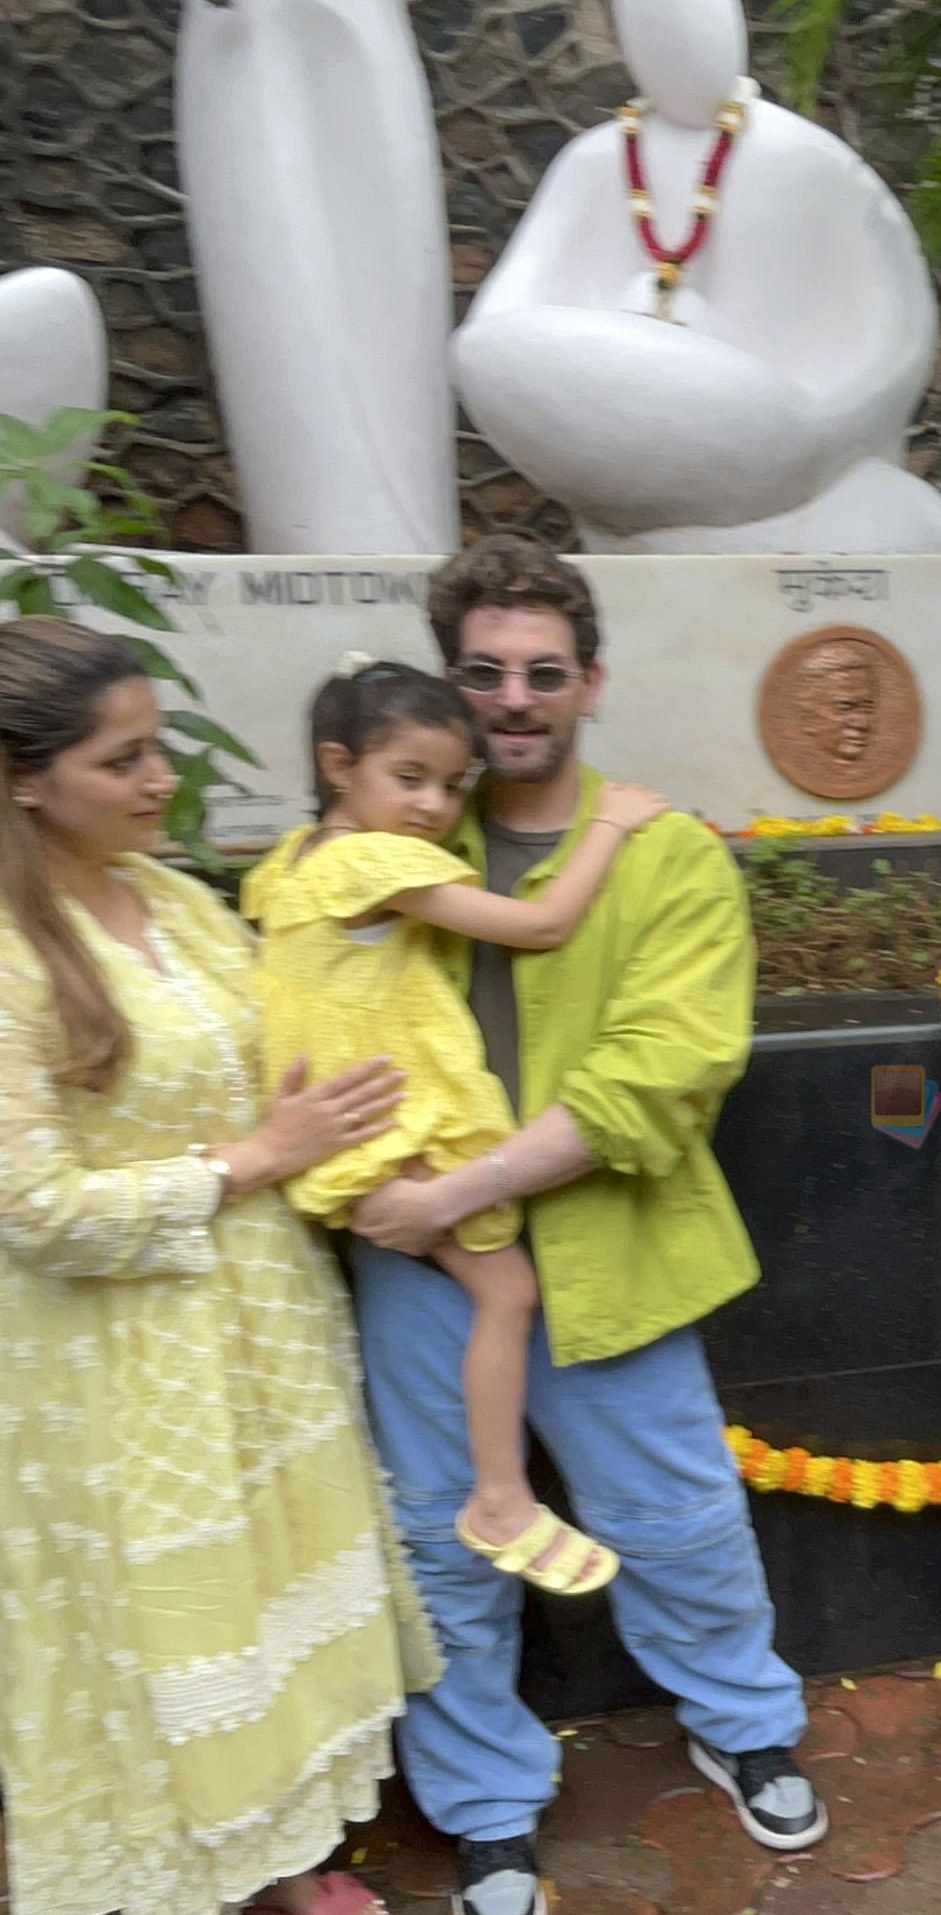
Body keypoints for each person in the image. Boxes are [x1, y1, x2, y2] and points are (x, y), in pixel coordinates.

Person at [341, 536, 825, 1915]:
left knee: (676, 1513)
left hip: (601, 1246)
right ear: (449, 681)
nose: (514, 698)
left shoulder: (666, 858)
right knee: (445, 1539)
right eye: (484, 671)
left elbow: (656, 1079)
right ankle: (485, 1795)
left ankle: (745, 1725)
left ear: (591, 684)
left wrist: (459, 1193)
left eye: (544, 673)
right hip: (419, 1263)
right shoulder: (397, 844)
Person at [0, 619, 430, 1915]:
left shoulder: (172, 904)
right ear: (24, 780)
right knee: (169, 1630)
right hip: (120, 1368)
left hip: (258, 1331)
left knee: (276, 1602)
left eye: (157, 742)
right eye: (122, 759)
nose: (160, 776)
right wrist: (254, 1160)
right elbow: (33, 1206)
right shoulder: (10, 955)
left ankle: (285, 1849)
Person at [246, 659, 665, 1597]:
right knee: (508, 1295)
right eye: (410, 779)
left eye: (451, 785)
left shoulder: (289, 865)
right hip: (398, 1132)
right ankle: (502, 1498)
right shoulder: (370, 862)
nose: (435, 806)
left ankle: (495, 1495)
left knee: (491, 1301)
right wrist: (610, 823)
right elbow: (544, 923)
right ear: (337, 765)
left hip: (346, 1129)